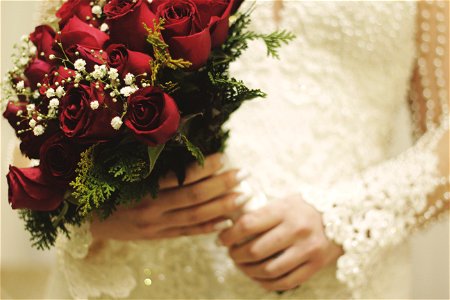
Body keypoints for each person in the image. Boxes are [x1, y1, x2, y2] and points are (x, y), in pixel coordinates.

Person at [43, 0, 449, 299]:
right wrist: (92, 212)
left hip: (343, 280)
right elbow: (40, 106)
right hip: (149, 274)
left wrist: (348, 218)